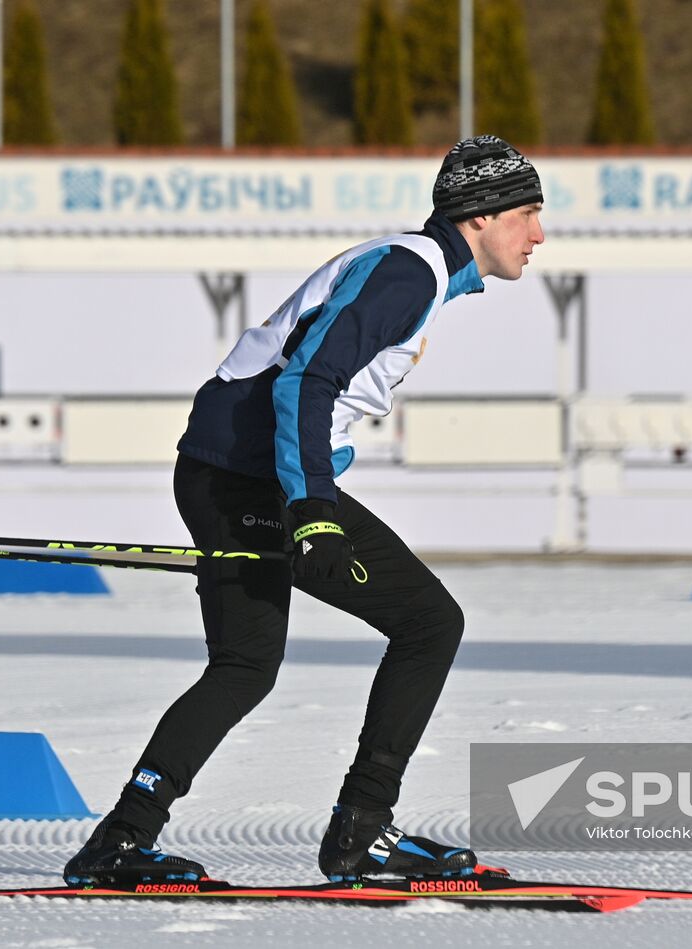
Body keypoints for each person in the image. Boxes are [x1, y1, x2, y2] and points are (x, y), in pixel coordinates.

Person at [64, 135, 545, 885]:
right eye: (528, 214)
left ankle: (120, 841)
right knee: (428, 623)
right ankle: (362, 831)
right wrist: (313, 513)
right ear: (479, 216)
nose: (539, 235)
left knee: (245, 664)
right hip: (251, 479)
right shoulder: (407, 271)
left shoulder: (412, 271)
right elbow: (305, 383)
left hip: (230, 472)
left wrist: (311, 499)